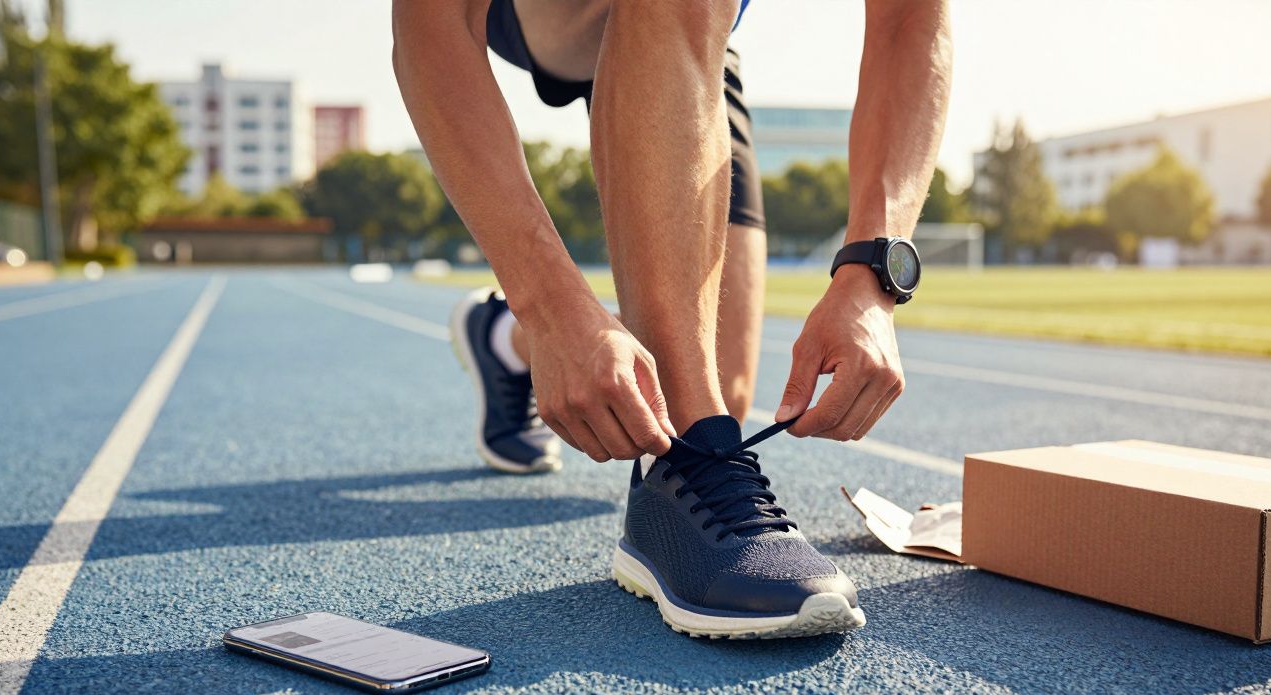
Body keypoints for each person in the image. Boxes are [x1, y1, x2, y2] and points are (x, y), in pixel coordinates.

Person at [393, 0, 951, 638]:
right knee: (690, 415)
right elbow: (429, 26)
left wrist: (873, 273)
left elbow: (910, 18)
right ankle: (668, 493)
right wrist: (545, 305)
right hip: (542, 19)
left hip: (695, 34)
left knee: (711, 377)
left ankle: (500, 341)